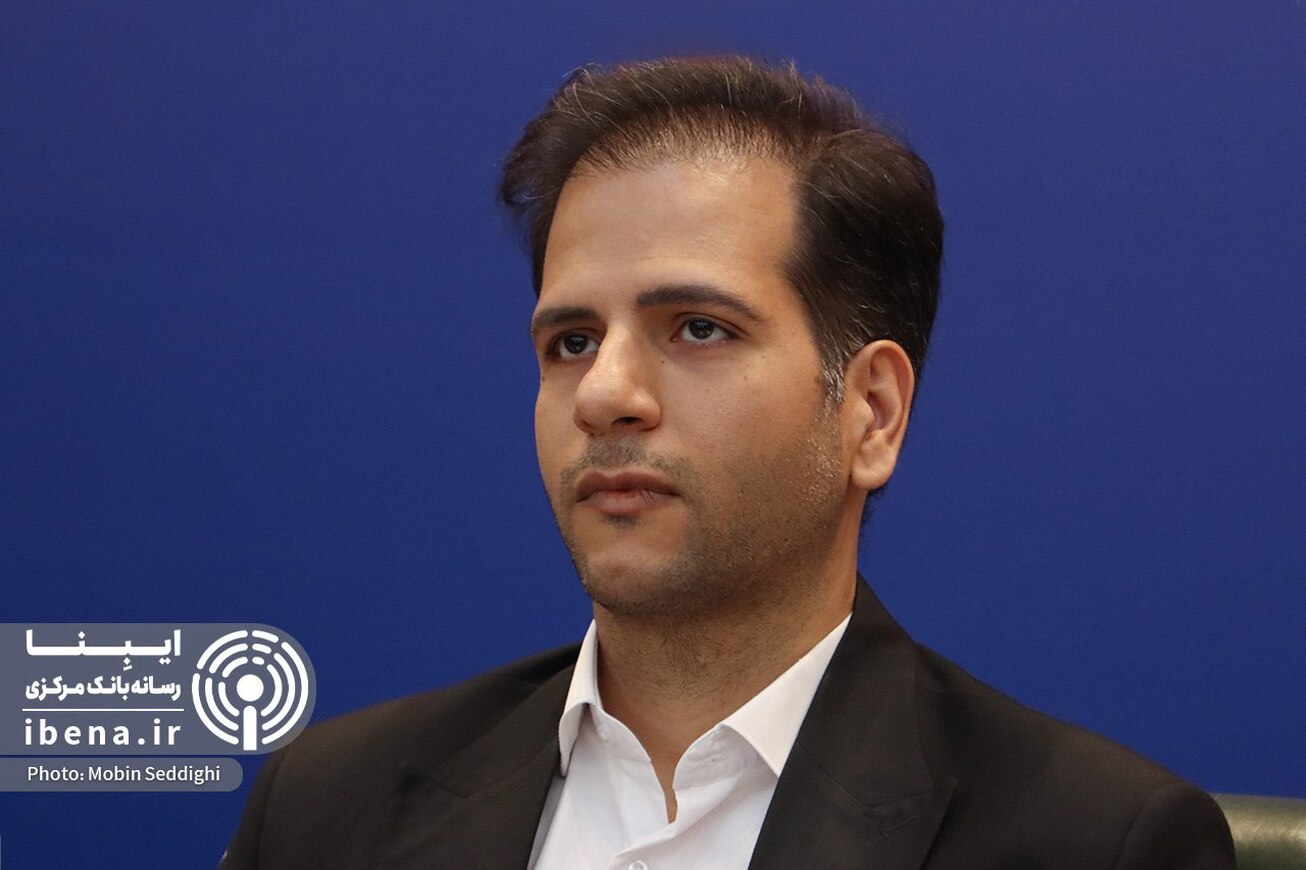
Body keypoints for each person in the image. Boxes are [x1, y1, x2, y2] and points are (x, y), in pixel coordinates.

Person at [223, 56, 1234, 868]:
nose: (605, 393)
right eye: (571, 340)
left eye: (698, 328)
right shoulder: (328, 807)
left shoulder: (1092, 839)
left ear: (871, 413)